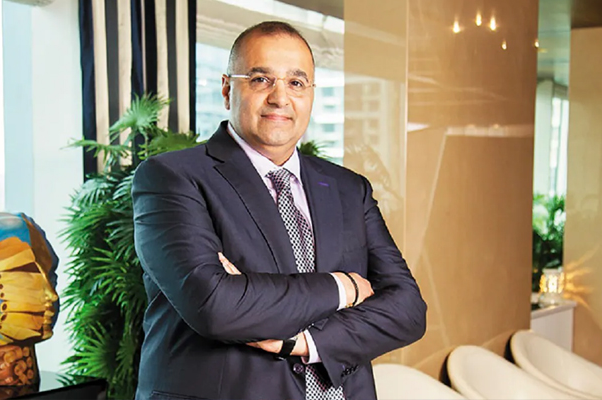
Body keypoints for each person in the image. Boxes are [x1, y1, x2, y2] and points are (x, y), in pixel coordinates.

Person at [132, 21, 427, 400]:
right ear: (227, 89)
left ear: (311, 94)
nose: (280, 97)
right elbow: (215, 306)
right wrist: (345, 287)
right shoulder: (172, 178)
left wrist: (305, 342)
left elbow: (407, 309)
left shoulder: (348, 188)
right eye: (261, 80)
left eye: (296, 83)